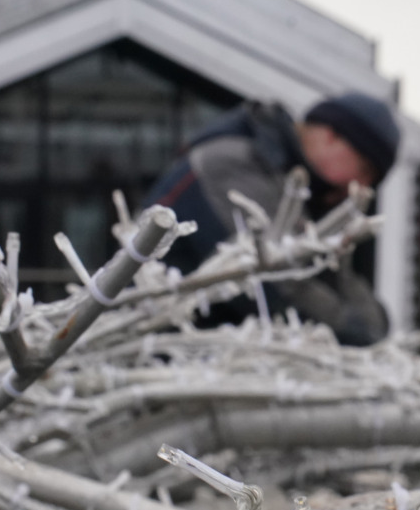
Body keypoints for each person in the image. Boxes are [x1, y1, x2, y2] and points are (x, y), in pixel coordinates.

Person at [144, 92, 399, 345]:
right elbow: (273, 284)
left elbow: (335, 282)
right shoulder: (233, 163)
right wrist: (359, 332)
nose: (363, 186)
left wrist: (371, 325)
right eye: (365, 170)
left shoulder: (287, 182)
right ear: (331, 137)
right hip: (155, 348)